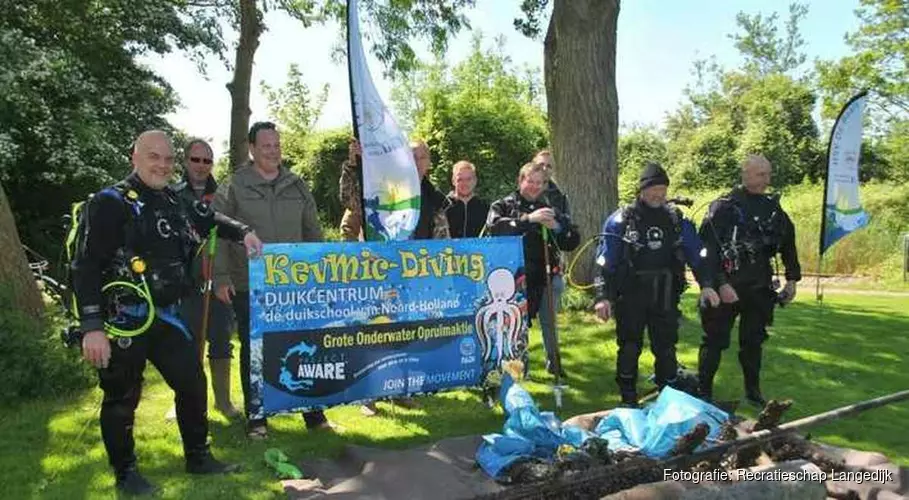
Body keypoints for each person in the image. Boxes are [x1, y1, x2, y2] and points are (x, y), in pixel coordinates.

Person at [73, 130, 262, 495]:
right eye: (153, 157)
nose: (162, 164)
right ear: (135, 157)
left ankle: (199, 457)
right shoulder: (110, 202)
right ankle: (126, 474)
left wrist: (245, 232)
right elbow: (86, 266)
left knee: (192, 381)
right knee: (122, 397)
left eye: (167, 158)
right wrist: (92, 326)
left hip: (165, 316)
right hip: (123, 318)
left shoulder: (172, 200)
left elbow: (209, 219)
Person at [213, 121, 333, 438]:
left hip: (293, 286)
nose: (273, 151)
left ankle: (312, 413)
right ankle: (257, 417)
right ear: (252, 149)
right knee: (254, 350)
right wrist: (221, 276)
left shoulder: (297, 185)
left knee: (302, 344)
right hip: (248, 283)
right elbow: (218, 232)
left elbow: (313, 232)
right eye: (266, 145)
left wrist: (317, 273)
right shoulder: (234, 185)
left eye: (277, 145)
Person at [593, 162, 720, 407]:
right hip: (631, 294)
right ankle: (628, 397)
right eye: (653, 189)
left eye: (663, 189)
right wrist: (602, 297)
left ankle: (667, 394)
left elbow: (697, 253)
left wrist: (707, 284)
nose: (658, 194)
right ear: (641, 190)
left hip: (665, 293)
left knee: (666, 347)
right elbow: (604, 262)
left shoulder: (675, 220)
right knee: (630, 346)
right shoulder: (622, 220)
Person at [696, 154, 801, 407]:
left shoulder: (773, 208)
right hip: (727, 286)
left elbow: (788, 242)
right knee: (715, 340)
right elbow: (706, 251)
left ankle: (753, 391)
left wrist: (792, 279)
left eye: (768, 174)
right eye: (761, 174)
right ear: (745, 174)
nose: (767, 180)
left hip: (759, 287)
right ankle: (704, 390)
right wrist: (718, 283)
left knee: (754, 341)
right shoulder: (724, 207)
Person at [167, 139, 240, 419]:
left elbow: (232, 233)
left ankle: (223, 402)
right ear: (186, 161)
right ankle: (183, 401)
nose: (201, 166)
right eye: (195, 160)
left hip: (220, 281)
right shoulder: (172, 194)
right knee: (186, 343)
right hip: (185, 285)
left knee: (221, 341)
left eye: (206, 161)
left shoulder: (224, 194)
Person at [486, 162, 580, 378]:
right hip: (513, 277)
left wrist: (556, 227)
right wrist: (528, 220)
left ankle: (554, 363)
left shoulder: (550, 208)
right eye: (531, 181)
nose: (535, 187)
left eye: (540, 183)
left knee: (549, 321)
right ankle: (513, 368)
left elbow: (571, 240)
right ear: (521, 180)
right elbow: (496, 228)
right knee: (513, 324)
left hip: (544, 275)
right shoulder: (503, 205)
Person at [531, 150, 570, 377]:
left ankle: (554, 361)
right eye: (541, 165)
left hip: (551, 264)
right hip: (528, 266)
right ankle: (518, 365)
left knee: (549, 319)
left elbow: (566, 232)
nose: (545, 170)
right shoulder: (527, 191)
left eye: (548, 166)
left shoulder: (560, 197)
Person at [445, 160, 489, 238]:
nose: (464, 183)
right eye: (460, 180)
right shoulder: (443, 206)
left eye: (468, 179)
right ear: (453, 181)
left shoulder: (486, 208)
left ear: (475, 181)